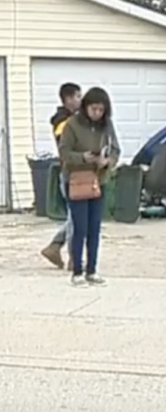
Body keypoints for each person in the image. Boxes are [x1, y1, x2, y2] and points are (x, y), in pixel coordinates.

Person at [58, 87, 120, 286]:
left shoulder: (106, 125)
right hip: (76, 179)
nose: (97, 113)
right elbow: (64, 153)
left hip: (98, 180)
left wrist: (108, 161)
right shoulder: (72, 125)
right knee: (80, 227)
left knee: (95, 228)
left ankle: (92, 270)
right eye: (93, 109)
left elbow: (116, 149)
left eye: (101, 110)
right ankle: (77, 271)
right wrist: (82, 157)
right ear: (85, 107)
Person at [39, 82, 81, 270]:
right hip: (70, 173)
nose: (80, 100)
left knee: (76, 216)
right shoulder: (62, 121)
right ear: (68, 99)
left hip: (78, 173)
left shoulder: (73, 119)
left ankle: (55, 247)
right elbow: (66, 141)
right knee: (76, 217)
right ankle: (73, 257)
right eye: (78, 96)